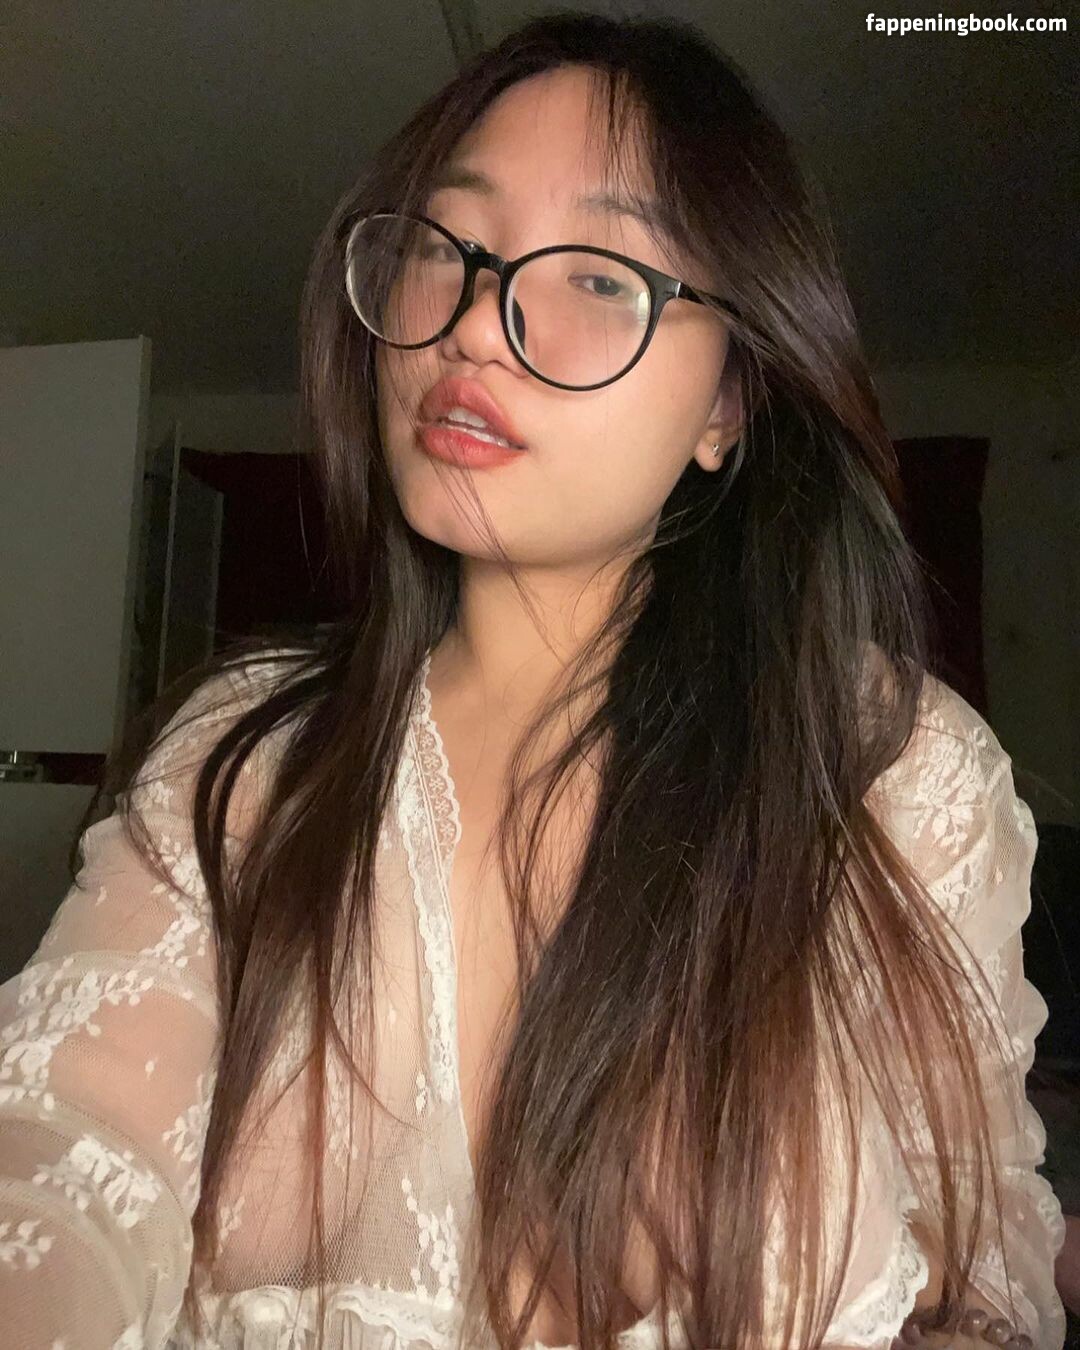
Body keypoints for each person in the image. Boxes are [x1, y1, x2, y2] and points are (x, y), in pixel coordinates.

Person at [0, 11, 1067, 1349]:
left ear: (727, 406)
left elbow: (979, 1277)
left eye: (604, 276)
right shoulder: (242, 757)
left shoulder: (883, 767)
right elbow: (63, 1142)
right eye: (444, 244)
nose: (474, 324)